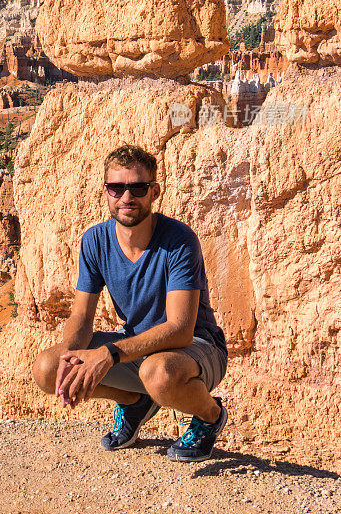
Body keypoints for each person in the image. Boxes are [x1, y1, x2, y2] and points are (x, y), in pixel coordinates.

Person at [32, 145, 228, 462]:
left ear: (154, 192)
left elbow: (179, 329)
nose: (127, 198)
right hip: (136, 346)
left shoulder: (179, 240)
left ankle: (210, 416)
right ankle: (135, 402)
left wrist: (108, 354)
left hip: (196, 347)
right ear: (106, 192)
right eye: (116, 187)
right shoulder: (95, 241)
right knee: (47, 368)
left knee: (158, 374)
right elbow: (81, 314)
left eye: (137, 187)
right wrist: (70, 356)